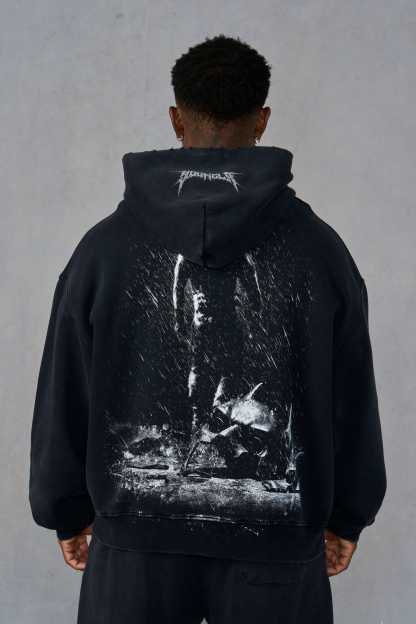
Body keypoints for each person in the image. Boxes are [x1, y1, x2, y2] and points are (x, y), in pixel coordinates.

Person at [29, 34, 387, 623]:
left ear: (176, 119)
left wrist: (64, 508)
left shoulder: (103, 249)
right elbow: (351, 391)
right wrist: (348, 513)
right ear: (262, 120)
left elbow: (64, 385)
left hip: (135, 546)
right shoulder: (320, 251)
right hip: (276, 545)